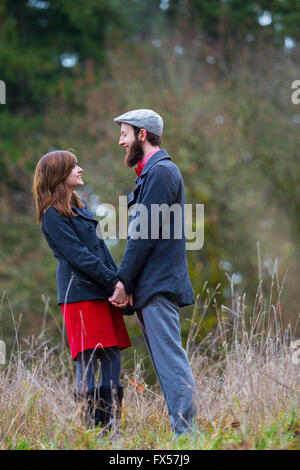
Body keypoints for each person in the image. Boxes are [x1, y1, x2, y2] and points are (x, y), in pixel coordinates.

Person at [110, 109, 197, 435]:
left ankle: (187, 439)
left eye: (124, 133)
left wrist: (124, 280)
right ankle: (184, 434)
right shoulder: (152, 173)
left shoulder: (161, 173)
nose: (121, 141)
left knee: (171, 361)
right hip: (151, 285)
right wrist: (130, 281)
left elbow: (142, 235)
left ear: (142, 135)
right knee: (165, 362)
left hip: (158, 285)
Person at [32, 150, 131, 429]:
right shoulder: (52, 215)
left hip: (101, 291)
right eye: (74, 166)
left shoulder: (79, 205)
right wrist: (114, 283)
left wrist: (123, 282)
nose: (81, 170)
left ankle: (110, 431)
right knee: (88, 359)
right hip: (80, 296)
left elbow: (99, 250)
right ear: (58, 174)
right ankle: (88, 434)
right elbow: (80, 257)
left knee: (112, 355)